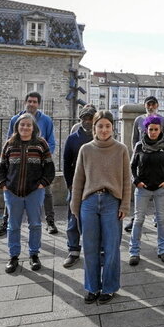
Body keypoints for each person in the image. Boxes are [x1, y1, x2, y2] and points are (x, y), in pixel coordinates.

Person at [70, 110, 132, 304]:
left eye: (107, 126)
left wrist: (125, 205)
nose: (104, 130)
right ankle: (92, 287)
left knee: (112, 247)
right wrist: (75, 204)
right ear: (94, 128)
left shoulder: (121, 149)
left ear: (112, 127)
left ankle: (109, 287)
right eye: (100, 126)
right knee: (90, 247)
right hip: (88, 203)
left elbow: (126, 180)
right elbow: (78, 179)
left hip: (111, 202)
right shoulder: (86, 150)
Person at [0, 113, 55, 274]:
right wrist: (3, 185)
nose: (25, 127)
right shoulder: (10, 144)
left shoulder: (41, 144)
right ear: (17, 127)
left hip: (34, 192)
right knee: (13, 226)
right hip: (12, 192)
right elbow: (2, 167)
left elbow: (49, 169)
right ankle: (13, 256)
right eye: (22, 125)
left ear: (33, 127)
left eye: (28, 125)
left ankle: (34, 255)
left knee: (35, 224)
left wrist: (42, 184)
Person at [0, 92, 58, 236]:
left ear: (39, 104)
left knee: (46, 192)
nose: (32, 104)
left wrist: (44, 158)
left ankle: (50, 221)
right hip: (17, 164)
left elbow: (51, 142)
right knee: (10, 191)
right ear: (25, 102)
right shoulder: (15, 119)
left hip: (38, 165)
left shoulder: (47, 120)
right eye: (29, 101)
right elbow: (9, 140)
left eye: (35, 102)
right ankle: (5, 223)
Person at [129, 115, 164, 265]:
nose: (153, 132)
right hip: (143, 189)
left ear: (160, 129)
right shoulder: (139, 146)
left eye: (156, 129)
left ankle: (163, 250)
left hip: (160, 189)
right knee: (138, 220)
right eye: (150, 129)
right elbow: (132, 166)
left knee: (161, 220)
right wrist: (136, 181)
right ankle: (134, 251)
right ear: (146, 130)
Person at [124, 95, 164, 232]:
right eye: (148, 105)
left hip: (158, 160)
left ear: (157, 106)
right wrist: (138, 154)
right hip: (143, 161)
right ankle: (135, 220)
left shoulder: (163, 120)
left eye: (153, 104)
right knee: (141, 194)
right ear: (145, 106)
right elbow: (134, 139)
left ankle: (158, 218)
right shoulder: (138, 120)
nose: (151, 107)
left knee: (159, 193)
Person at [62, 104, 96, 268]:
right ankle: (73, 250)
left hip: (95, 186)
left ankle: (95, 251)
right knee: (73, 220)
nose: (88, 122)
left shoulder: (100, 138)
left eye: (91, 119)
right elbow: (66, 163)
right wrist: (69, 185)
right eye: (85, 118)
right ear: (80, 120)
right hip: (76, 186)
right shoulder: (72, 138)